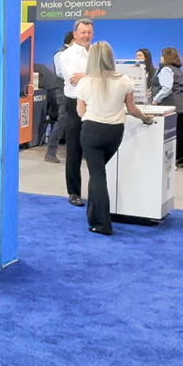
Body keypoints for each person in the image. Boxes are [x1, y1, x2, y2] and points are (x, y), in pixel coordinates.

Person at [76, 42, 154, 236]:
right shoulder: (125, 80)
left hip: (92, 131)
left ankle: (102, 223)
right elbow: (132, 109)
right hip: (114, 133)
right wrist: (146, 119)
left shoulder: (85, 82)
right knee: (99, 173)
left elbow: (80, 111)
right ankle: (93, 214)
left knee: (97, 175)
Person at [60, 19, 94, 206]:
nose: (86, 36)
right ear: (75, 34)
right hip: (75, 104)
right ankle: (74, 192)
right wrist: (94, 76)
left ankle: (97, 193)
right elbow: (75, 80)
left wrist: (86, 75)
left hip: (96, 104)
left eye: (89, 32)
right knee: (74, 150)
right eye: (83, 32)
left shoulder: (96, 52)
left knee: (96, 149)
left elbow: (106, 75)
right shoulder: (67, 55)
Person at [152, 47, 183, 161]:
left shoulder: (166, 69)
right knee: (171, 137)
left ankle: (163, 161)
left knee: (164, 136)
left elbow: (166, 89)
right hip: (177, 105)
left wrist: (155, 100)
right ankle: (170, 161)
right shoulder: (177, 70)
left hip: (167, 106)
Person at [45, 31, 74, 163]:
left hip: (72, 91)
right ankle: (50, 152)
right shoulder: (60, 53)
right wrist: (75, 76)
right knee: (62, 120)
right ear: (73, 40)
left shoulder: (73, 54)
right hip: (63, 91)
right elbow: (60, 72)